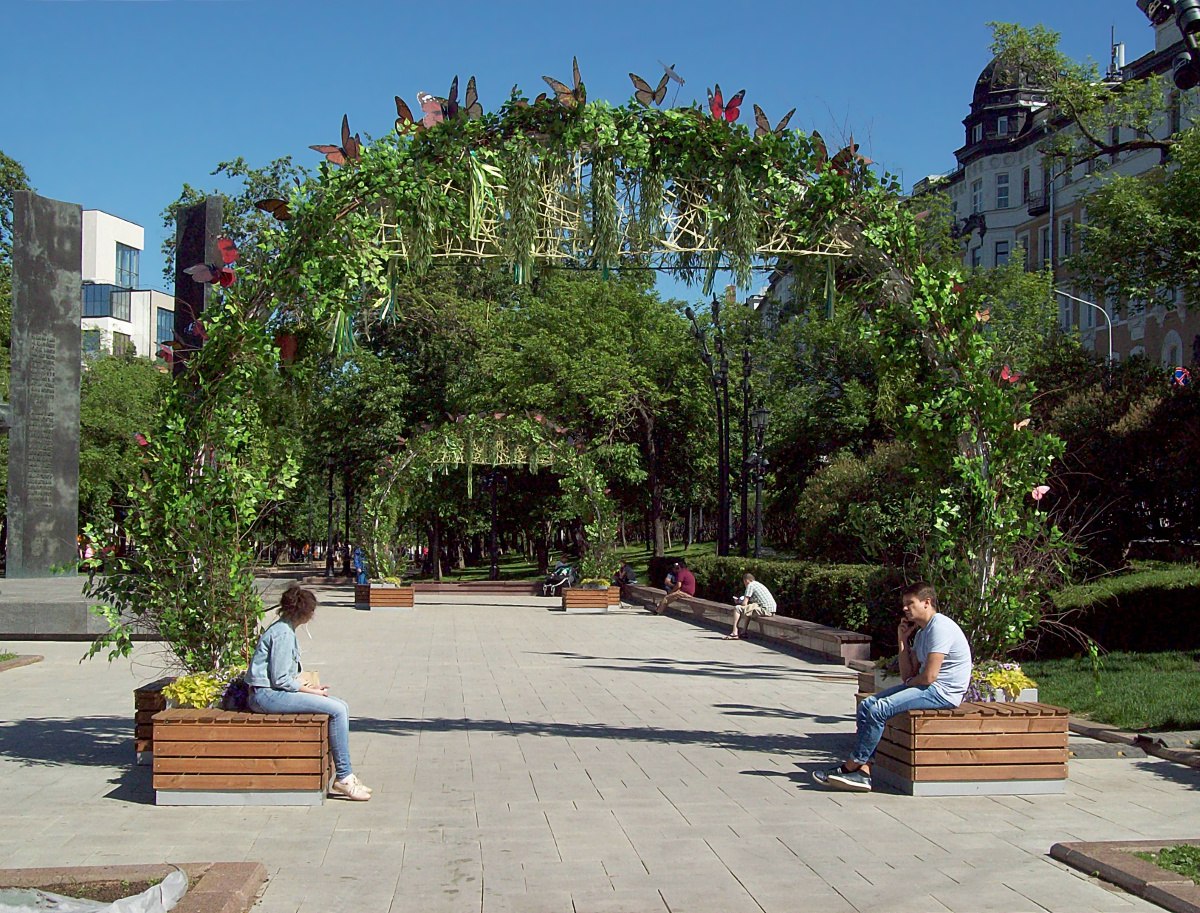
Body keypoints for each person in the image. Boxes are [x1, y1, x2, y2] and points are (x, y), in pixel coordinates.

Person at [814, 581, 972, 793]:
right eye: (904, 604)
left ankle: (851, 765)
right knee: (867, 704)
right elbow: (908, 674)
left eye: (910, 603)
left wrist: (910, 684)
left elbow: (929, 677)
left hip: (944, 692)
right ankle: (864, 772)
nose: (905, 608)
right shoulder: (922, 633)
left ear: (927, 602)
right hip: (929, 688)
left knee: (879, 709)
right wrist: (903, 639)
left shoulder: (940, 627)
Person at [245, 585, 372, 801]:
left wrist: (310, 687)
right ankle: (344, 776)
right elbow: (280, 680)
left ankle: (345, 775)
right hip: (266, 696)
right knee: (338, 710)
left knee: (341, 706)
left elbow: (288, 673)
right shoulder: (283, 634)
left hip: (270, 692)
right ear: (305, 613)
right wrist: (310, 692)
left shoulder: (285, 629)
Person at [725, 572, 776, 640]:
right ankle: (743, 632)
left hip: (764, 609)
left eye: (744, 582)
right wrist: (740, 601)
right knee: (748, 611)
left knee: (737, 608)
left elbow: (744, 603)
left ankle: (735, 632)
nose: (744, 584)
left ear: (746, 580)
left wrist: (739, 603)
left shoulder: (750, 585)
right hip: (771, 610)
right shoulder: (758, 584)